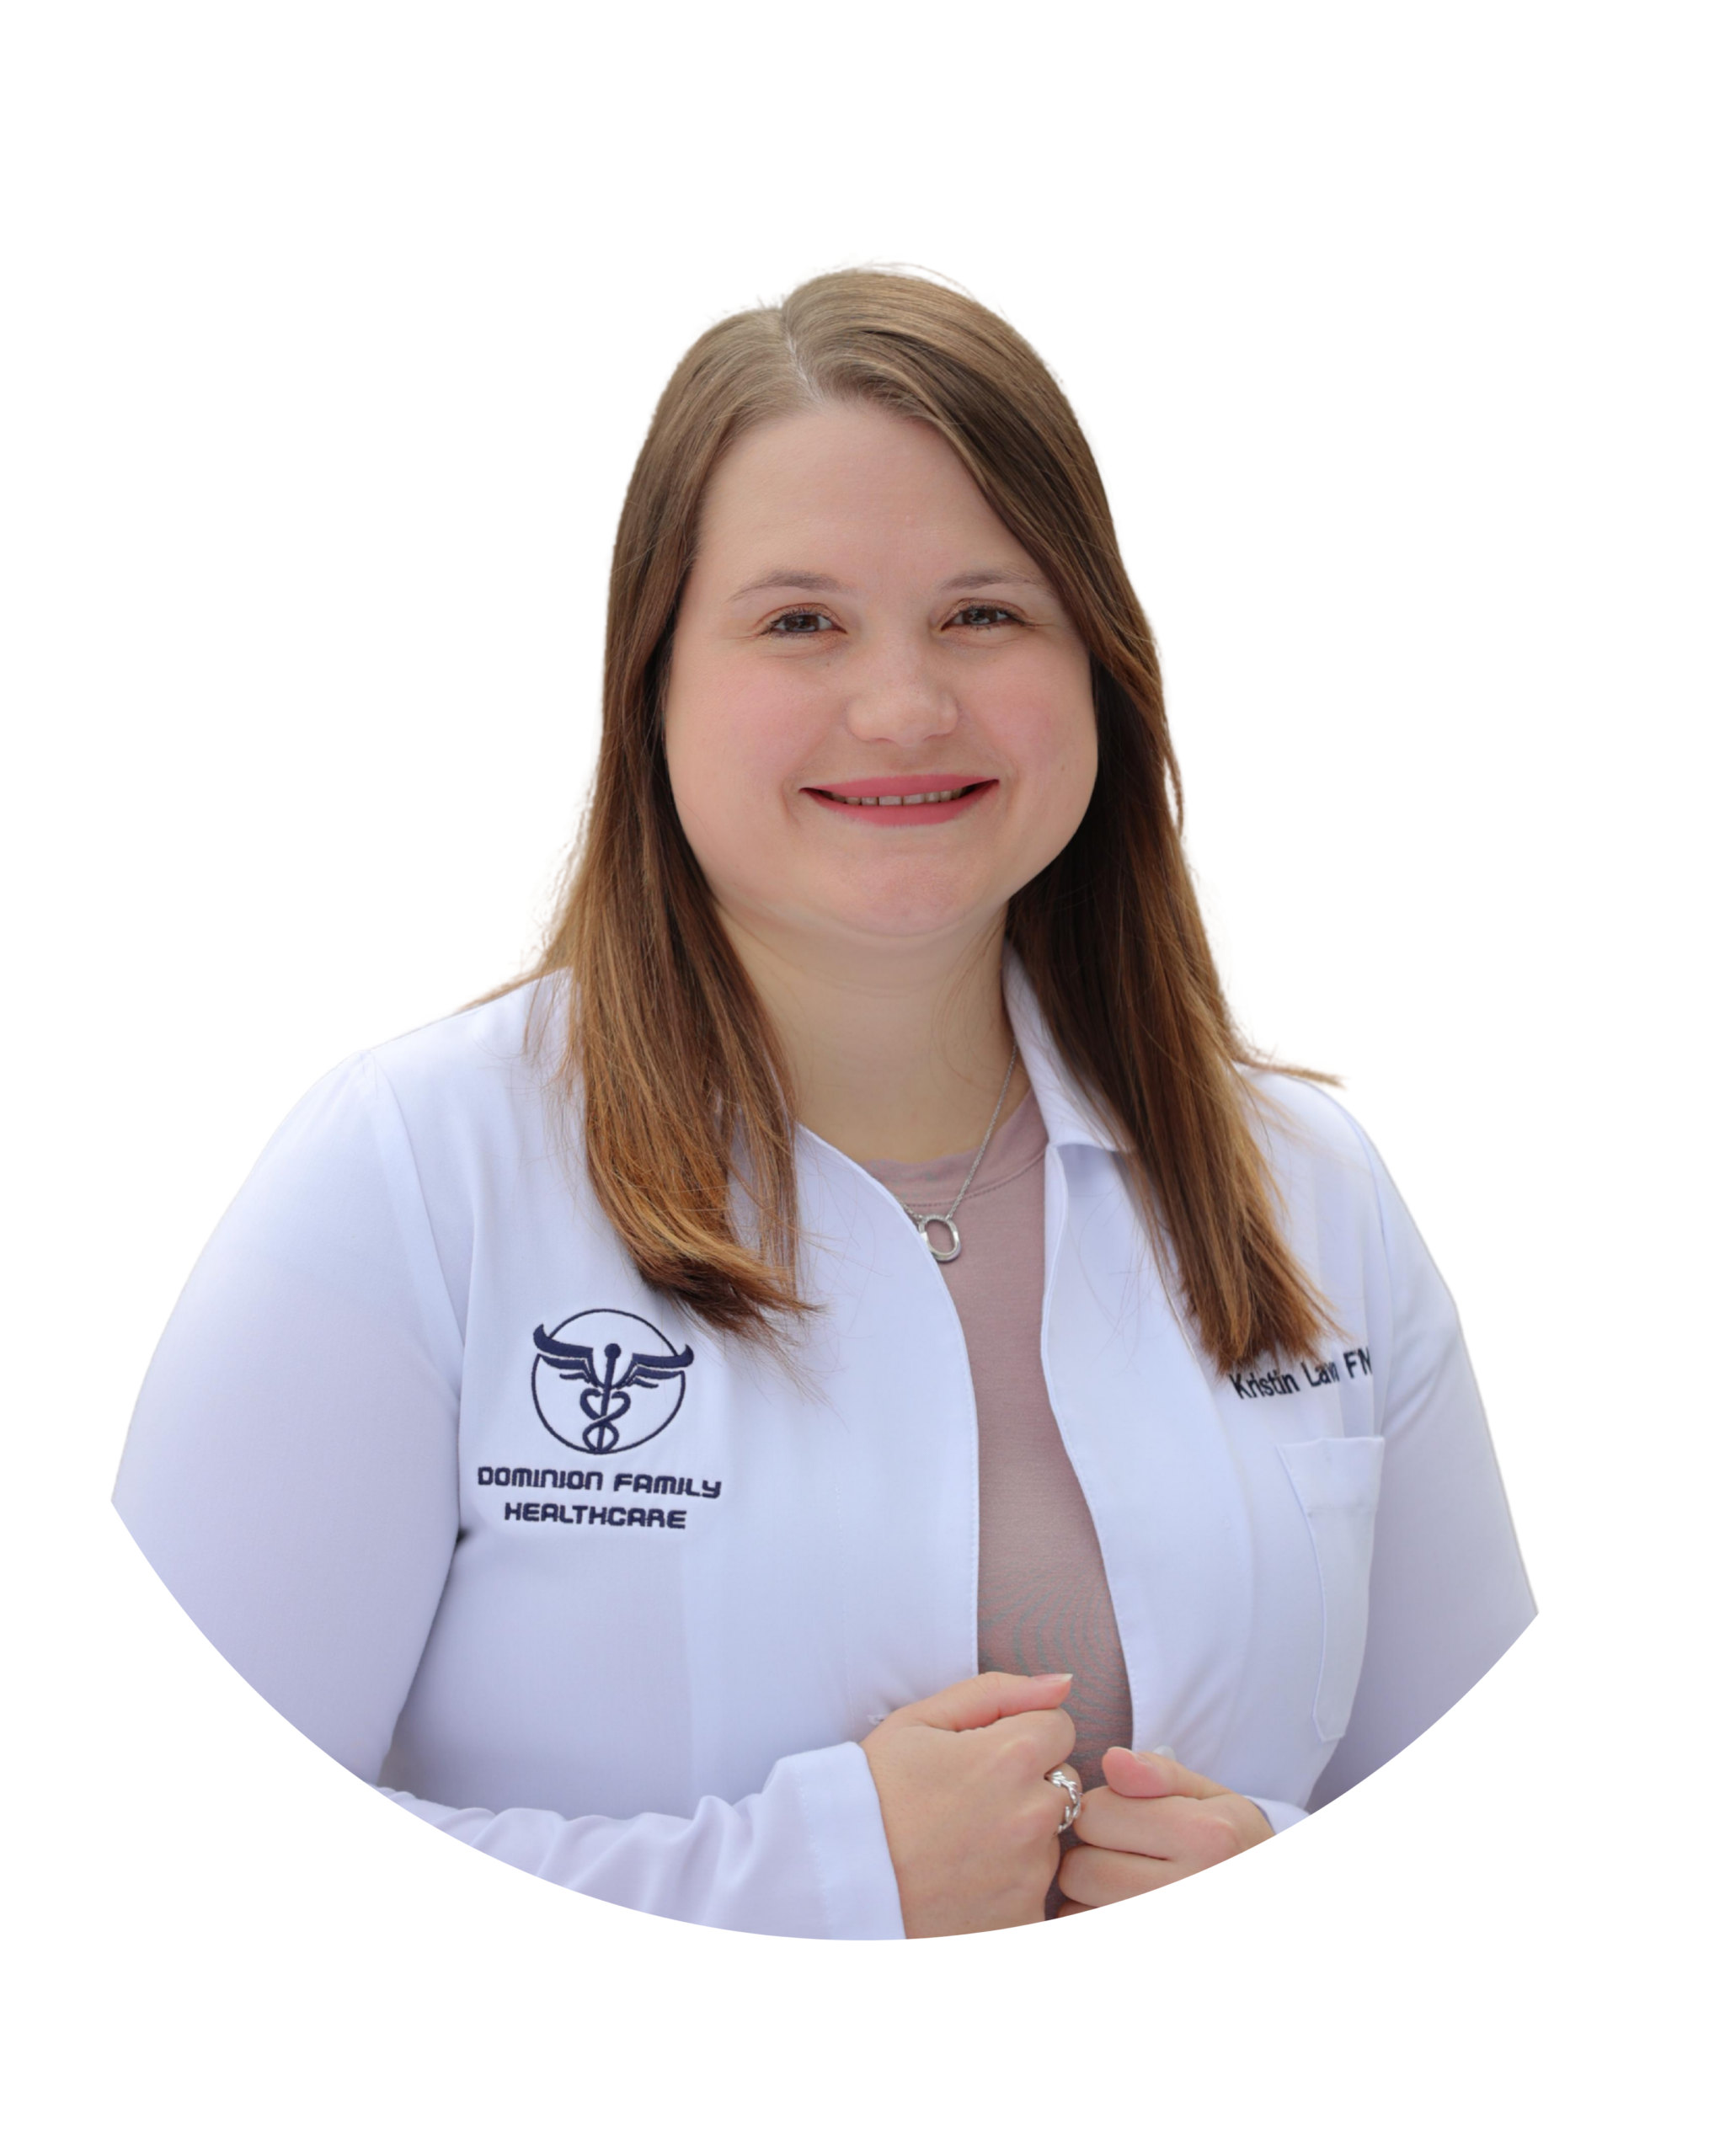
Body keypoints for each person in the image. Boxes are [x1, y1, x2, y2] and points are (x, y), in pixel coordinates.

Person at [114, 270, 1535, 1939]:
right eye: (800, 622)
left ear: (1100, 665)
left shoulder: (1308, 1190)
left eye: (984, 613)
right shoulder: (410, 1178)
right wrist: (812, 1883)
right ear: (651, 683)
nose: (906, 707)